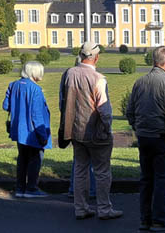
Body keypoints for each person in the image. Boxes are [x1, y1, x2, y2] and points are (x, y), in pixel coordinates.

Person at [60, 42, 122, 221]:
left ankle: (80, 208)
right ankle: (104, 208)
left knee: (80, 169)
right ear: (96, 57)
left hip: (74, 130)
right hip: (96, 132)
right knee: (102, 171)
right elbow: (105, 110)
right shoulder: (98, 78)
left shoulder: (69, 74)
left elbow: (63, 101)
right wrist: (107, 128)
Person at [127, 46, 165, 231]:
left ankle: (145, 218)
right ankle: (160, 218)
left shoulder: (140, 82)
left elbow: (130, 111)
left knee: (146, 178)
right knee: (162, 179)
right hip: (162, 136)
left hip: (144, 135)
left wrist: (138, 126)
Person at [3, 61, 52, 198]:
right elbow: (36, 115)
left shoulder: (13, 85)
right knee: (35, 158)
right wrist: (43, 135)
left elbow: (6, 105)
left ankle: (20, 188)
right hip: (32, 132)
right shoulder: (36, 89)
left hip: (18, 130)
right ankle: (31, 188)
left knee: (22, 158)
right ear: (34, 72)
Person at [60, 56, 96, 199]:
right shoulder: (91, 77)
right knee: (91, 161)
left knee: (79, 161)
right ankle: (91, 190)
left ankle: (74, 189)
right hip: (87, 125)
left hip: (72, 124)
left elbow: (62, 102)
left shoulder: (67, 76)